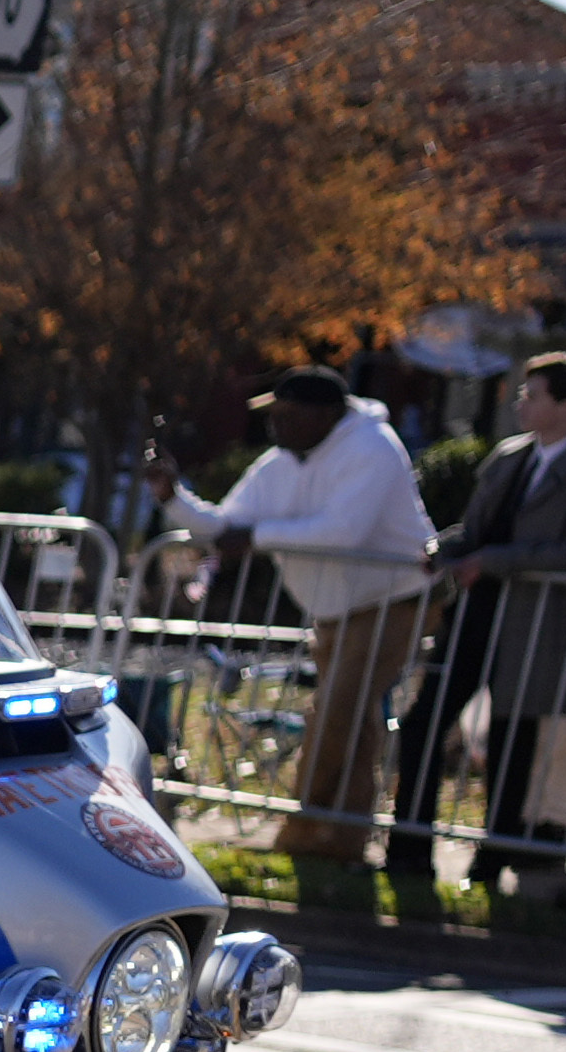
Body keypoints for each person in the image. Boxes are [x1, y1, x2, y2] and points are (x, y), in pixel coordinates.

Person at [161, 365, 429, 868]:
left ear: (325, 414)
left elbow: (344, 531)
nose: (276, 424)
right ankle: (344, 839)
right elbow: (225, 525)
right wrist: (172, 498)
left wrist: (258, 538)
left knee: (336, 711)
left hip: (392, 600)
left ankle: (306, 832)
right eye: (273, 413)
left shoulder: (372, 447)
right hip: (334, 610)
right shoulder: (277, 463)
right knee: (351, 718)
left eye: (288, 414)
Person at [394, 352, 566, 897]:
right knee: (425, 723)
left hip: (535, 622)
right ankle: (408, 850)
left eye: (534, 394)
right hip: (476, 613)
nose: (521, 402)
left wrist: (492, 561)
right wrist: (444, 548)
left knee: (511, 743)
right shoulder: (509, 457)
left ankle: (491, 863)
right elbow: (476, 529)